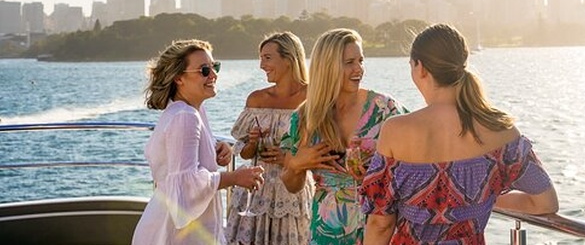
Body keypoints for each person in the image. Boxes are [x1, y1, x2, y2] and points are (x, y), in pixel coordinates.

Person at [359, 23, 559, 245]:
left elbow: (381, 224)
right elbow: (545, 203)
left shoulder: (396, 131)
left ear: (420, 68)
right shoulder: (502, 131)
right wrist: (483, 201)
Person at [280, 27, 408, 245]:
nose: (358, 69)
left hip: (380, 229)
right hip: (326, 233)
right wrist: (295, 165)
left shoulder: (384, 109)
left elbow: (414, 163)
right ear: (327, 67)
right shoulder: (304, 118)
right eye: (349, 63)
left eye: (361, 61)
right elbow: (292, 185)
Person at [132, 39, 265, 245]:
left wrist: (214, 149)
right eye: (204, 70)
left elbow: (179, 158)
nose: (214, 75)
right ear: (179, 78)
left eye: (215, 67)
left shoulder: (190, 111)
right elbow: (187, 186)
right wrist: (235, 177)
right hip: (174, 234)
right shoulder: (185, 117)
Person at [225, 32, 314, 245]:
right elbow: (245, 152)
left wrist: (288, 158)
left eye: (267, 58)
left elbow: (321, 147)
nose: (261, 65)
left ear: (289, 59)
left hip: (293, 190)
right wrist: (253, 141)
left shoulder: (312, 98)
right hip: (255, 192)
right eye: (261, 58)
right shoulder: (256, 99)